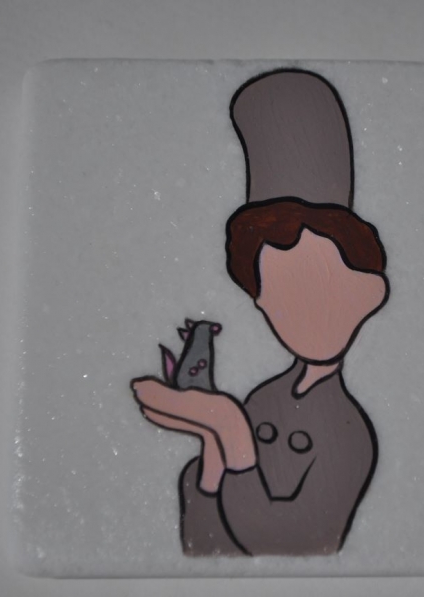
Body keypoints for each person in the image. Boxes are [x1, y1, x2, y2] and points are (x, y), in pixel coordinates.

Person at [130, 69, 389, 555]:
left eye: (319, 286)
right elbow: (205, 545)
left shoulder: (351, 434)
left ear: (370, 291)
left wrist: (230, 430)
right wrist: (213, 443)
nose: (300, 314)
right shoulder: (265, 398)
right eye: (278, 296)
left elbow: (296, 542)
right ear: (262, 303)